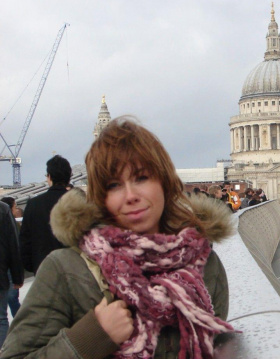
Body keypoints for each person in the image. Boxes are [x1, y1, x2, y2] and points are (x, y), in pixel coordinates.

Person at [1, 117, 235, 359]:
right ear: (100, 199)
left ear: (165, 182)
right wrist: (91, 337)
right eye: (113, 185)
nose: (131, 195)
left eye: (141, 178)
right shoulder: (65, 270)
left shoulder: (206, 265)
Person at [19, 155, 72, 274]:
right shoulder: (79, 204)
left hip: (43, 269)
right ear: (69, 177)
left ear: (49, 177)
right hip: (74, 271)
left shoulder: (33, 204)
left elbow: (25, 241)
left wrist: (32, 266)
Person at [0, 201, 23, 347]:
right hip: (0, 272)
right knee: (1, 318)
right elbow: (13, 245)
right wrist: (17, 276)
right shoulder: (3, 210)